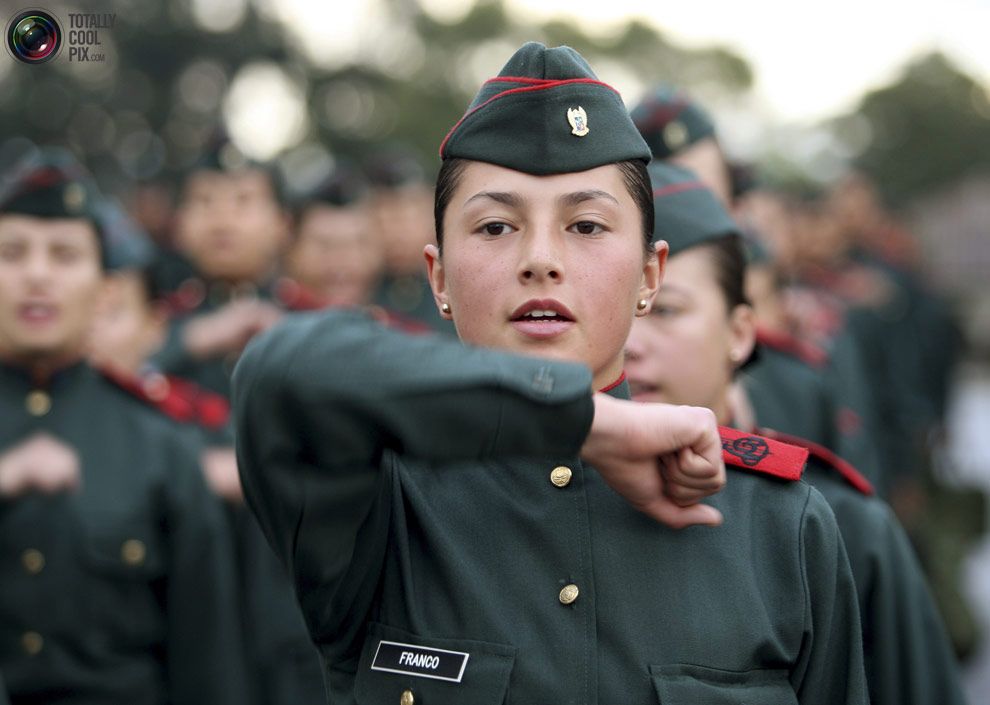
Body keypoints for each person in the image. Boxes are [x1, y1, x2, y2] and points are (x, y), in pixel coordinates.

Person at [234, 42, 867, 704]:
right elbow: (279, 376)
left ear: (650, 276)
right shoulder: (382, 505)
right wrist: (578, 418)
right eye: (496, 226)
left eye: (587, 224)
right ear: (439, 278)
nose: (540, 259)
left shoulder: (780, 526)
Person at [624, 162, 966, 705]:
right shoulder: (519, 504)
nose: (630, 342)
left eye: (663, 310)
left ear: (740, 333)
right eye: (613, 311)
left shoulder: (833, 525)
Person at [0, 150, 246, 703]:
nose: (37, 274)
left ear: (104, 290)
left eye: (64, 255)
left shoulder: (160, 445)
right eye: (12, 253)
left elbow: (209, 665)